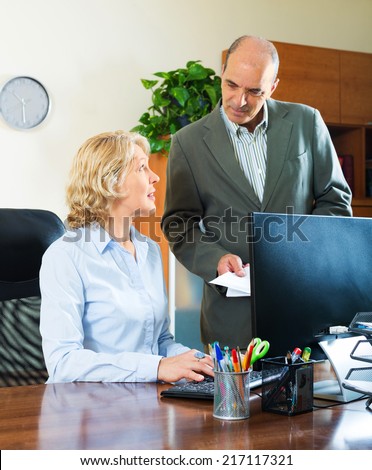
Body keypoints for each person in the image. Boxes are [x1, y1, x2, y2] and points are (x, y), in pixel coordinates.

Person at [161, 35, 352, 350]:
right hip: (231, 321)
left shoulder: (307, 122)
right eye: (232, 85)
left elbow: (335, 199)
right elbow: (179, 224)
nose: (239, 101)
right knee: (236, 402)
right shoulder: (188, 143)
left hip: (303, 308)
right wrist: (216, 259)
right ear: (222, 74)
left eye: (254, 91)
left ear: (273, 87)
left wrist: (301, 254)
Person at [39, 130, 214, 383]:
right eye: (142, 168)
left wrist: (199, 361)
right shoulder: (66, 256)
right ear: (111, 182)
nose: (155, 177)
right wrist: (156, 368)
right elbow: (63, 362)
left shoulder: (149, 250)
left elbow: (160, 342)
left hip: (147, 405)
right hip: (89, 411)